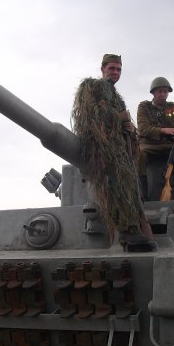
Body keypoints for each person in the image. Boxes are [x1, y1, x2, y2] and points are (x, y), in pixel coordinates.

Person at [71, 54, 155, 251]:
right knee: (118, 184)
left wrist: (129, 129)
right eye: (112, 68)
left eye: (118, 69)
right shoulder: (91, 87)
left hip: (119, 148)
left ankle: (135, 230)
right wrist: (119, 117)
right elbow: (89, 115)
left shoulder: (116, 97)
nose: (115, 73)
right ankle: (128, 231)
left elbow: (121, 124)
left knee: (130, 187)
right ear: (103, 69)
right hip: (103, 147)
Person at [136, 77, 174, 200]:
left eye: (165, 91)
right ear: (153, 93)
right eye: (159, 91)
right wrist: (163, 130)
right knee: (139, 154)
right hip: (149, 145)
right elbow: (143, 129)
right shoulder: (144, 107)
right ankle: (142, 194)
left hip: (169, 146)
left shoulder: (173, 108)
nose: (162, 94)